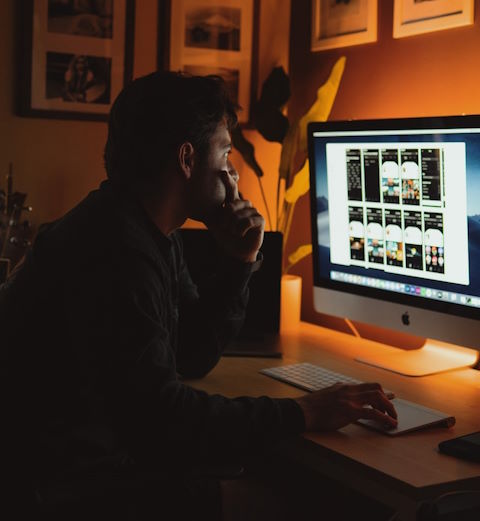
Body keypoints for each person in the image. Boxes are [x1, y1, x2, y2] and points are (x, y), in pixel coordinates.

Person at [0, 71, 397, 520]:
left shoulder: (148, 231)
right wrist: (302, 412)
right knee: (305, 503)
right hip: (62, 488)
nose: (233, 172)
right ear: (187, 159)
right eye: (226, 153)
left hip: (88, 461)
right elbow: (164, 420)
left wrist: (240, 261)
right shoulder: (117, 252)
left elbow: (188, 354)